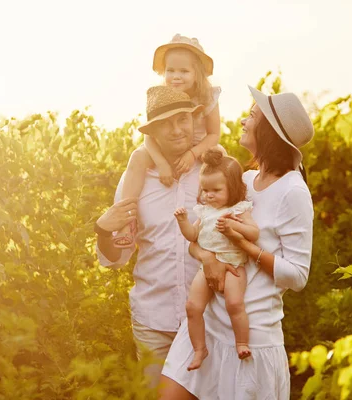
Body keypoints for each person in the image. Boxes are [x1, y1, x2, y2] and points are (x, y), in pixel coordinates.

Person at [159, 86, 315, 399]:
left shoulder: (293, 193)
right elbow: (200, 239)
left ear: (269, 133)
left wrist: (248, 249)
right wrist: (208, 259)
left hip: (249, 340)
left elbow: (298, 276)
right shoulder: (242, 180)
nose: (243, 121)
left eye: (252, 116)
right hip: (207, 327)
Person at [94, 85, 237, 389]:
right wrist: (104, 230)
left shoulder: (215, 172)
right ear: (153, 133)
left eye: (182, 120)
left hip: (211, 320)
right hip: (153, 323)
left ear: (193, 120)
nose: (176, 130)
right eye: (165, 124)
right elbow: (117, 256)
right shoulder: (136, 180)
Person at [113, 34, 222, 248]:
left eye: (183, 71)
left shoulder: (207, 96)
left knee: (222, 158)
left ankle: (227, 213)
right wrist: (161, 163)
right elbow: (149, 135)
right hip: (166, 146)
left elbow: (213, 134)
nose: (176, 76)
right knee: (137, 158)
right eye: (171, 70)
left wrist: (193, 153)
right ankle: (126, 220)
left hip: (199, 145)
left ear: (197, 73)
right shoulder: (162, 96)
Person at [174, 148, 259, 371]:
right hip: (206, 268)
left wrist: (234, 226)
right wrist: (183, 221)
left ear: (232, 188)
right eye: (205, 190)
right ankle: (199, 349)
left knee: (234, 303)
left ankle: (242, 342)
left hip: (234, 266)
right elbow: (192, 237)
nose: (209, 195)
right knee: (192, 307)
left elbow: (253, 233)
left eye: (216, 190)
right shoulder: (204, 212)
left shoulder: (239, 209)